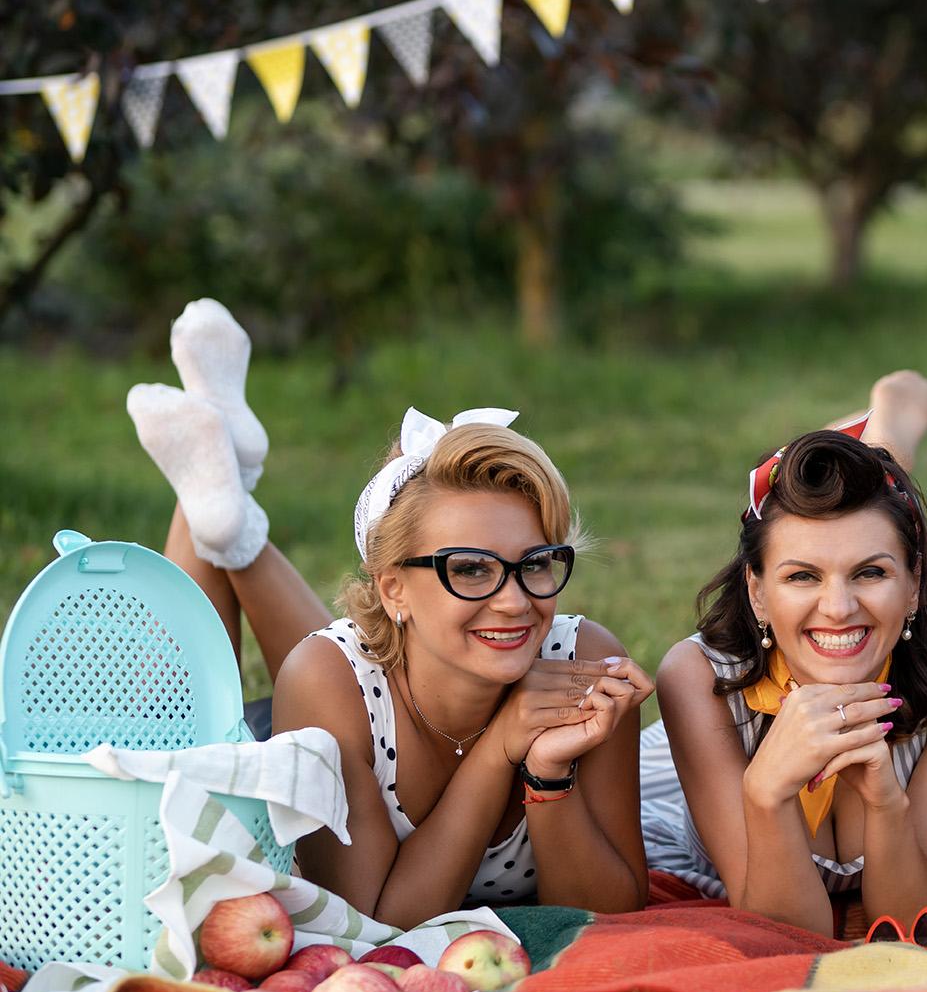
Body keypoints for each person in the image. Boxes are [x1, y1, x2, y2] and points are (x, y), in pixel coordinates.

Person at [126, 301, 651, 924]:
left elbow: (613, 912)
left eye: (536, 562)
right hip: (288, 748)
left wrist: (547, 772)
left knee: (328, 667)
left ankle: (225, 504)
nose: (515, 599)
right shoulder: (329, 682)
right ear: (392, 587)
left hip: (366, 694)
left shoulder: (583, 664)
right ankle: (212, 502)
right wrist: (499, 750)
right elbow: (373, 922)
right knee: (190, 734)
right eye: (470, 568)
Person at [641, 388, 927, 938]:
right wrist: (766, 790)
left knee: (877, 502)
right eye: (801, 576)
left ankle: (886, 441)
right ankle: (884, 436)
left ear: (913, 588)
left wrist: (886, 802)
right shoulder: (696, 677)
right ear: (757, 594)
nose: (838, 609)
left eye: (872, 573)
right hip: (691, 761)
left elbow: (915, 920)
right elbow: (786, 931)